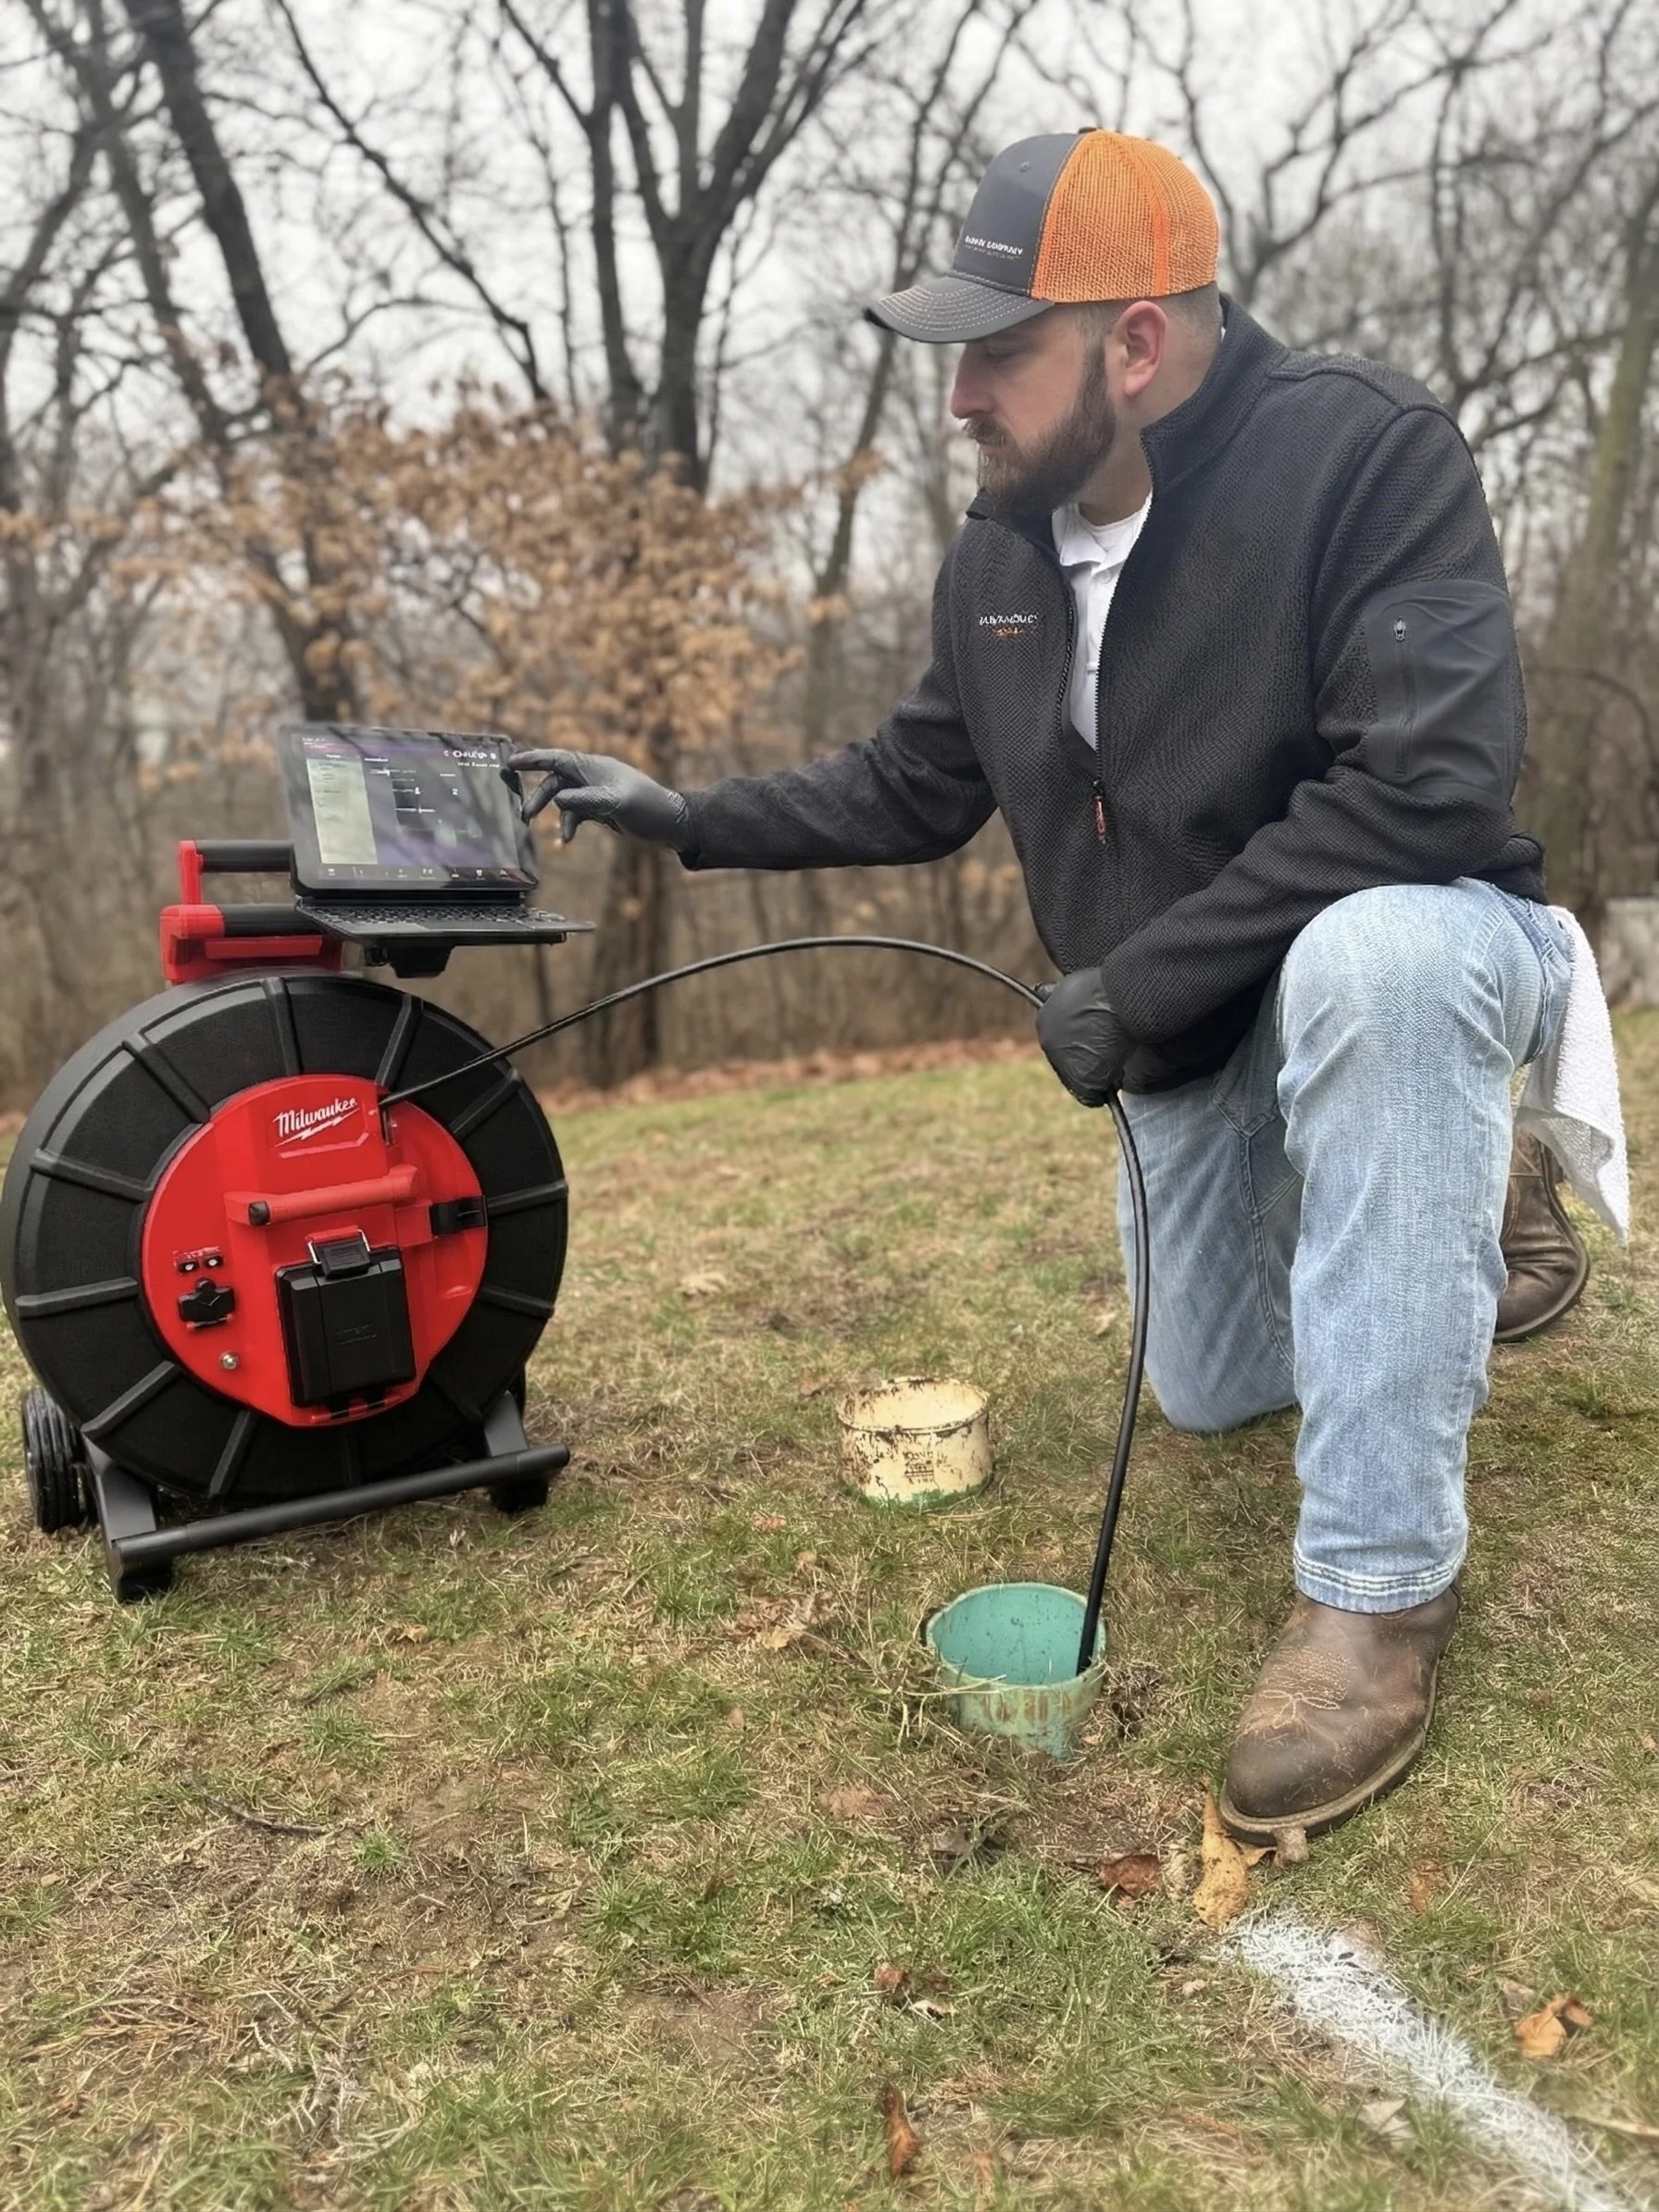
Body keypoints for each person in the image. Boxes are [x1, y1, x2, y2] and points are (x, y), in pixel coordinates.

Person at [509, 130, 1581, 1841]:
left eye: (997, 352)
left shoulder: (1363, 462)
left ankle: (1378, 1598)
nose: (960, 399)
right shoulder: (1001, 555)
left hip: (1425, 954)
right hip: (1196, 1039)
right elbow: (917, 781)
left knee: (1379, 958)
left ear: (1134, 345)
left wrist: (1133, 974)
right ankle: (1448, 1214)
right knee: (1212, 1389)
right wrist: (688, 815)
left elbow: (1425, 791)